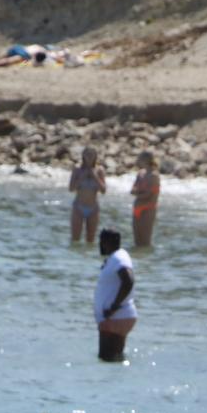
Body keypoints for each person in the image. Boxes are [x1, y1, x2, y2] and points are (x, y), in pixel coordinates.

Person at [93, 228, 136, 363]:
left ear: (107, 242)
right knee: (114, 360)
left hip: (114, 318)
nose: (99, 245)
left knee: (106, 360)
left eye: (101, 241)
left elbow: (128, 281)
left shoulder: (118, 258)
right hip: (116, 318)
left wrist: (114, 307)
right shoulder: (116, 257)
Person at [68, 147, 106, 248]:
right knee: (75, 240)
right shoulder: (77, 169)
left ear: (95, 156)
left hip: (93, 208)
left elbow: (103, 190)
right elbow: (71, 188)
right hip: (78, 207)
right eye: (87, 155)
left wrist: (94, 176)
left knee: (90, 241)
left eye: (91, 155)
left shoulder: (99, 170)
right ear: (83, 156)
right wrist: (82, 176)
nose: (89, 157)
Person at [130, 152, 162, 248]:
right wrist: (139, 192)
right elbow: (133, 189)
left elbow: (149, 195)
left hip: (148, 209)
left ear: (146, 160)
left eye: (139, 158)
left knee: (145, 241)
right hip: (137, 207)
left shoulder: (154, 176)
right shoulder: (140, 173)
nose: (137, 160)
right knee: (137, 241)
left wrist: (139, 193)